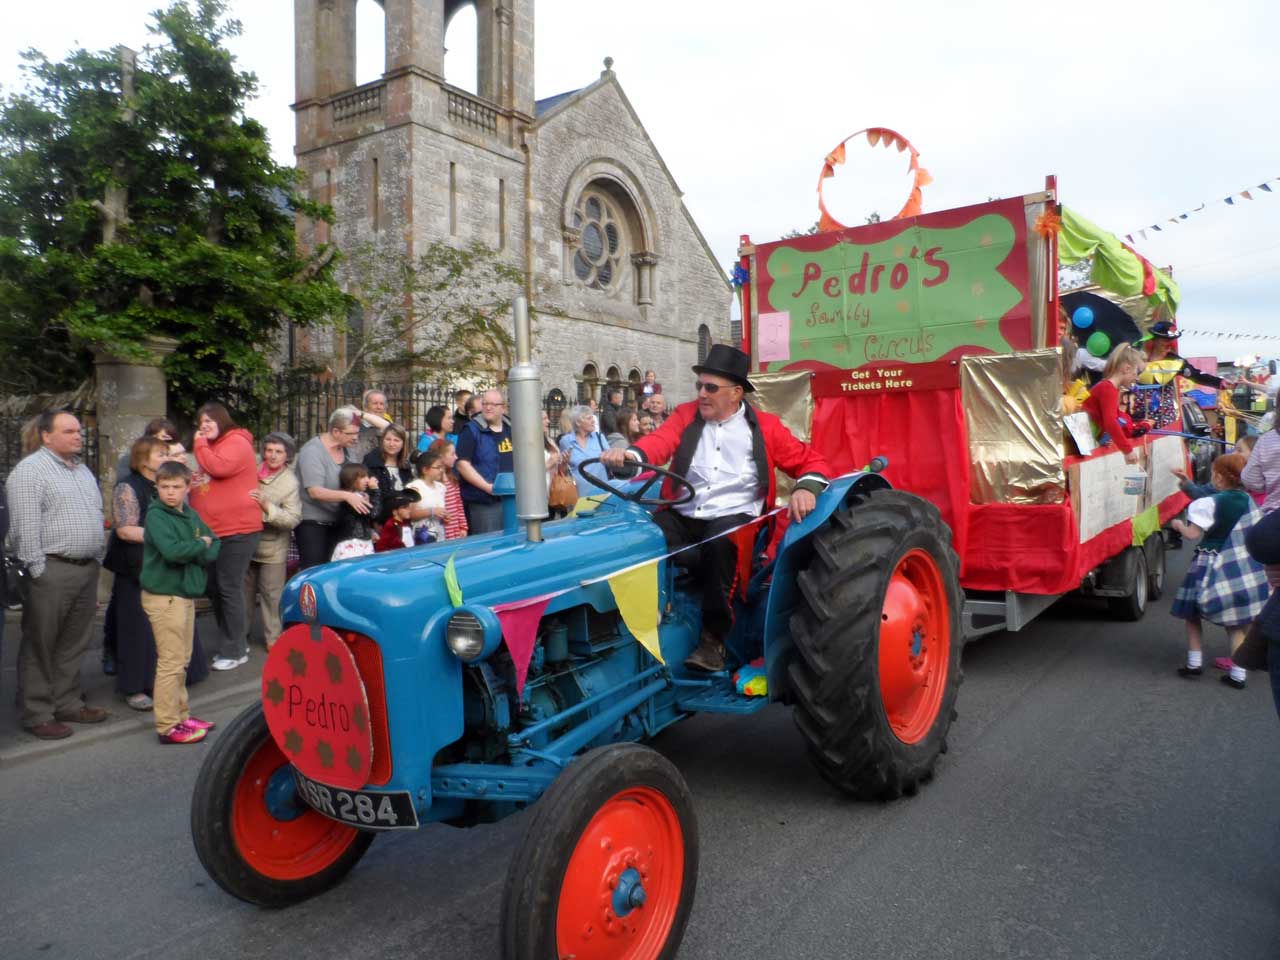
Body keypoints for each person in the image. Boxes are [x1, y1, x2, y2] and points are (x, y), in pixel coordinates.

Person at [600, 345, 832, 672]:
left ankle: (713, 640)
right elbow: (659, 443)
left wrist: (806, 488)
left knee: (723, 540)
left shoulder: (765, 427)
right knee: (639, 534)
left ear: (736, 393)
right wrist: (632, 457)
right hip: (684, 514)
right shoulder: (685, 416)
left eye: (711, 387)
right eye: (699, 387)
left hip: (735, 520)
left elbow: (811, 461)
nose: (702, 394)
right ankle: (637, 621)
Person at [7, 410, 109, 740]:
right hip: (50, 570)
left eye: (78, 431)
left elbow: (95, 513)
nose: (78, 436)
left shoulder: (81, 471)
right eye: (69, 431)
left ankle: (66, 702)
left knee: (73, 642)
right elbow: (24, 528)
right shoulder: (30, 472)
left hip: (85, 569)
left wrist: (95, 557)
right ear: (46, 435)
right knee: (41, 643)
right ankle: (37, 712)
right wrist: (37, 570)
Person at [140, 460, 220, 744]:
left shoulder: (188, 512)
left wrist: (200, 548)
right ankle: (167, 725)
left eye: (176, 487)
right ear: (157, 487)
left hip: (183, 595)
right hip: (165, 596)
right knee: (171, 662)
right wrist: (201, 546)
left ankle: (182, 715)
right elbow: (172, 552)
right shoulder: (157, 516)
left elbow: (215, 542)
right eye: (165, 487)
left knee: (182, 660)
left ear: (188, 488)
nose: (170, 492)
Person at [1170, 453, 1261, 689]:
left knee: (1192, 613)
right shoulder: (1248, 502)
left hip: (1207, 562)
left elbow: (1193, 535)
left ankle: (1194, 662)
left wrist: (1178, 525)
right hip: (1235, 566)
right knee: (1236, 623)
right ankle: (1238, 674)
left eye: (1213, 474)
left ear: (1220, 477)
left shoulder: (1211, 503)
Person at [190, 402, 262, 672]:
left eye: (209, 421)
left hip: (238, 529)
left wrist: (199, 446)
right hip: (214, 531)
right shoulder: (213, 447)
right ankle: (233, 640)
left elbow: (220, 468)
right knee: (212, 587)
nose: (203, 426)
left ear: (222, 420)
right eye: (200, 422)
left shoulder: (236, 442)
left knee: (228, 587)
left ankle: (234, 649)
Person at [105, 437, 169, 710]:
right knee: (135, 629)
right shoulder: (128, 486)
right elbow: (125, 529)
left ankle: (156, 682)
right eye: (160, 453)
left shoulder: (162, 486)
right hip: (135, 568)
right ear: (143, 459)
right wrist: (166, 537)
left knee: (157, 629)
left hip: (160, 567)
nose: (165, 456)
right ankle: (132, 688)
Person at [246, 432, 301, 650]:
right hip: (246, 542)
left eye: (279, 452)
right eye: (269, 450)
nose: (272, 456)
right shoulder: (250, 470)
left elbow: (293, 519)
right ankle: (240, 638)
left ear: (287, 455)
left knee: (272, 595)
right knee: (243, 595)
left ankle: (274, 639)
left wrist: (267, 507)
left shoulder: (290, 482)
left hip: (272, 547)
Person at [296, 409, 364, 569]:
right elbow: (315, 491)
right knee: (314, 572)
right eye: (351, 433)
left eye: (357, 433)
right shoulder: (312, 451)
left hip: (338, 521)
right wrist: (348, 496)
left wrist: (361, 494)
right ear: (335, 431)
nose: (355, 438)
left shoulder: (347, 449)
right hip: (313, 524)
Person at [1081, 343, 1150, 465]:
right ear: (1127, 368)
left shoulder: (1110, 388)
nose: (1137, 378)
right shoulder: (1108, 389)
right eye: (1137, 372)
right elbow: (1110, 422)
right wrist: (1127, 451)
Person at [456, 389, 513, 534]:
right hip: (484, 502)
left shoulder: (511, 427)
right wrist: (488, 487)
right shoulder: (471, 430)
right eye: (485, 403)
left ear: (503, 407)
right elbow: (463, 465)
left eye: (493, 404)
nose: (488, 407)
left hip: (512, 498)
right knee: (490, 547)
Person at [330, 463, 381, 560]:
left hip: (360, 542)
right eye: (363, 477)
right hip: (353, 545)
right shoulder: (352, 498)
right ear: (351, 479)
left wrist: (370, 532)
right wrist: (375, 491)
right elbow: (373, 514)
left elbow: (360, 519)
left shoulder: (359, 496)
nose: (367, 480)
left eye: (367, 476)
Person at [363, 423, 414, 518]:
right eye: (388, 439)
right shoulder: (371, 462)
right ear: (382, 441)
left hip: (401, 519)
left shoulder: (405, 466)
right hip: (379, 518)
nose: (391, 444)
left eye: (396, 440)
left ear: (403, 443)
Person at [559, 405, 611, 497]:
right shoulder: (566, 441)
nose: (593, 421)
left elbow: (611, 460)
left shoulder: (599, 438)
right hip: (577, 495)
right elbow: (562, 472)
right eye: (589, 418)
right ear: (578, 422)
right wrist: (564, 463)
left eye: (593, 417)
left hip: (601, 494)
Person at [408, 448, 449, 544]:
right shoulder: (415, 487)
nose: (441, 470)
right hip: (421, 537)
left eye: (442, 467)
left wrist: (445, 516)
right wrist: (432, 511)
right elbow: (410, 514)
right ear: (425, 470)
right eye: (438, 467)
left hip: (439, 535)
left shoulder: (441, 487)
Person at [350, 389, 392, 461]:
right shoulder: (355, 426)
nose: (378, 407)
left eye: (381, 404)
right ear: (365, 407)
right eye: (375, 403)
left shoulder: (389, 425)